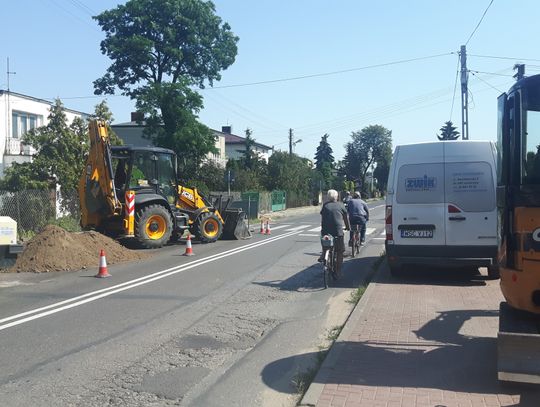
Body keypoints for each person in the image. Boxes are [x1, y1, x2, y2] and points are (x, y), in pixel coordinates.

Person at [320, 189, 350, 279]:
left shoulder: (325, 206)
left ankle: (324, 254)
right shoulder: (341, 205)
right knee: (340, 251)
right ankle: (338, 271)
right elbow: (345, 218)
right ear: (336, 196)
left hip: (326, 231)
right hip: (338, 232)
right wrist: (348, 227)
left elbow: (323, 218)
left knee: (325, 241)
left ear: (328, 197)